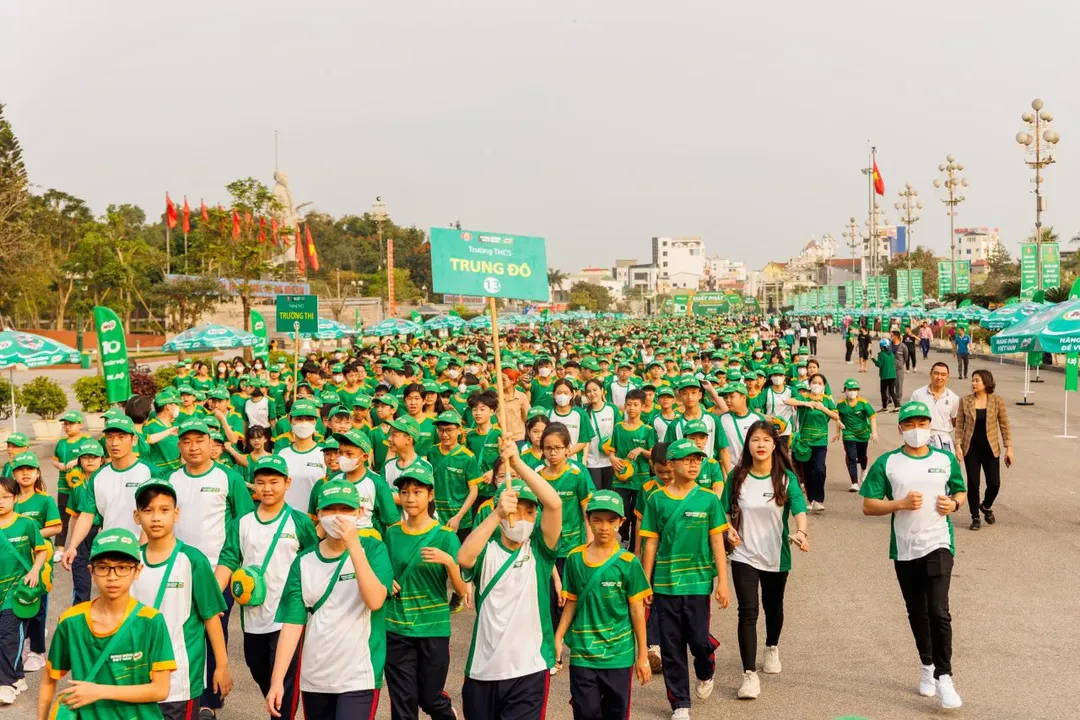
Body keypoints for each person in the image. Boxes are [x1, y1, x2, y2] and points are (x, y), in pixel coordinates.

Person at [859, 401, 967, 710]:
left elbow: (960, 491)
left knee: (938, 610)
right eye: (910, 424)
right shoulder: (889, 462)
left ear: (929, 426)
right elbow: (868, 505)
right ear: (901, 428)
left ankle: (945, 677)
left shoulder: (945, 460)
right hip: (905, 548)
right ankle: (927, 665)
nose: (917, 429)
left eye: (922, 423)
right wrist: (899, 505)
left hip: (939, 542)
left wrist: (955, 504)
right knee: (917, 611)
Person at [267, 481, 394, 720]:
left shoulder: (374, 550)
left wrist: (354, 545)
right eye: (330, 510)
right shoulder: (303, 562)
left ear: (359, 512)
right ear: (319, 514)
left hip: (359, 676)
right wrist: (277, 681)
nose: (338, 517)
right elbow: (293, 625)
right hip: (315, 678)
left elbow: (375, 600)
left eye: (345, 510)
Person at [457, 439, 563, 720]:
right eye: (517, 510)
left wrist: (517, 464)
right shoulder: (487, 549)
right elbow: (464, 558)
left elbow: (553, 503)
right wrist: (497, 513)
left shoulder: (539, 551)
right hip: (482, 670)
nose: (524, 518)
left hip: (529, 670)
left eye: (530, 512)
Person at [37, 528, 176, 719]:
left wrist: (100, 692)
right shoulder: (71, 621)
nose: (112, 576)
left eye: (122, 567)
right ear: (91, 571)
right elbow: (49, 677)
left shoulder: (151, 621)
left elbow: (160, 689)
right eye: (103, 567)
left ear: (137, 571)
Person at [217, 456, 317, 720]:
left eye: (274, 482)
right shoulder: (241, 523)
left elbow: (314, 561)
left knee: (284, 680)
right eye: (261, 483)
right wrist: (216, 597)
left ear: (287, 483)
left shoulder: (299, 521)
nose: (268, 488)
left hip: (289, 617)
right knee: (258, 668)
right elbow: (229, 558)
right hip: (253, 616)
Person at [639, 438, 730, 720]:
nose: (693, 464)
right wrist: (645, 582)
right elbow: (650, 543)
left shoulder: (708, 499)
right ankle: (680, 702)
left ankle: (706, 667)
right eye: (687, 459)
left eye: (698, 460)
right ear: (671, 464)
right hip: (666, 582)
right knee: (671, 644)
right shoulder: (656, 499)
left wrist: (723, 583)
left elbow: (717, 541)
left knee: (699, 638)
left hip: (699, 581)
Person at [130, 478, 232, 720]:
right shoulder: (130, 562)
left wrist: (222, 665)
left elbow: (210, 616)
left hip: (181, 680)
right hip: (136, 677)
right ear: (137, 516)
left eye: (164, 510)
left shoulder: (193, 560)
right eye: (148, 510)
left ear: (176, 514)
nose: (156, 518)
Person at [721, 421, 808, 700]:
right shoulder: (737, 476)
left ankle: (772, 646)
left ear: (774, 445)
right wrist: (728, 528)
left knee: (773, 606)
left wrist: (801, 531)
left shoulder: (784, 477)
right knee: (748, 611)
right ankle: (749, 675)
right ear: (748, 444)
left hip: (775, 554)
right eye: (755, 439)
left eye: (766, 440)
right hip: (743, 553)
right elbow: (723, 511)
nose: (760, 445)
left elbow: (798, 507)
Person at [553, 490, 652, 720]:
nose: (604, 527)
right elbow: (571, 604)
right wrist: (558, 638)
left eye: (611, 520)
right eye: (597, 520)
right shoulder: (575, 559)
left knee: (616, 713)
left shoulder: (629, 563)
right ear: (588, 520)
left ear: (621, 522)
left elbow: (638, 611)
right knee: (585, 711)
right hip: (583, 653)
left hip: (619, 654)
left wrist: (642, 656)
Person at [383, 465, 466, 720]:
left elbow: (462, 591)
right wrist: (386, 581)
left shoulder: (446, 537)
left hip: (433, 628)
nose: (410, 498)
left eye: (417, 492)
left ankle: (445, 713)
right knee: (403, 701)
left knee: (430, 697)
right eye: (405, 492)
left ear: (430, 495)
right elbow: (383, 572)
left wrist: (450, 563)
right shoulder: (392, 533)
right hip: (397, 626)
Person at [62, 415, 157, 570]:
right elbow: (87, 514)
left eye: (121, 437)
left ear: (133, 440)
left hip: (143, 552)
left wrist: (144, 551)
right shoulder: (98, 476)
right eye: (110, 437)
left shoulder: (151, 472)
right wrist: (72, 546)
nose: (114, 443)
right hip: (110, 551)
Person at [9, 452, 60, 674]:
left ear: (38, 473)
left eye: (30, 469)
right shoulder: (9, 500)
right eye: (21, 469)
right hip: (13, 563)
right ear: (14, 474)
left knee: (37, 605)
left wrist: (30, 534)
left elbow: (56, 527)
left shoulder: (44, 500)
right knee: (15, 604)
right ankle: (24, 642)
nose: (26, 473)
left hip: (38, 560)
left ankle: (37, 651)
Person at [0, 474, 48, 705]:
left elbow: (41, 549)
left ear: (15, 498)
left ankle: (5, 684)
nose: (1, 501)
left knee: (8, 637)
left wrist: (34, 571)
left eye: (6, 497)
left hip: (16, 592)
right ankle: (18, 676)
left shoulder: (26, 523)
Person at [954, 370, 1013, 531]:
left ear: (986, 383)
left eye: (977, 380)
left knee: (994, 484)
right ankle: (975, 517)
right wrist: (958, 446)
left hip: (991, 448)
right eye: (973, 380)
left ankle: (985, 506)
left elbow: (1004, 425)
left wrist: (1009, 448)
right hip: (971, 448)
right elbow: (959, 425)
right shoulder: (965, 401)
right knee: (973, 484)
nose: (973, 383)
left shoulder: (996, 401)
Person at [787, 374, 840, 513]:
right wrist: (806, 403)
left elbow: (836, 416)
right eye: (814, 382)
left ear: (824, 386)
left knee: (819, 469)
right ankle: (811, 500)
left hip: (820, 442)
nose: (817, 385)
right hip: (804, 442)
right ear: (809, 384)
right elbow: (788, 401)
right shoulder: (804, 397)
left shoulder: (827, 400)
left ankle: (819, 500)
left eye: (820, 383)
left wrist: (822, 408)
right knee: (807, 472)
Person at [51, 410, 91, 560]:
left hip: (80, 485)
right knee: (63, 517)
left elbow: (94, 457)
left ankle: (80, 545)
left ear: (80, 425)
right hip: (64, 486)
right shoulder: (61, 443)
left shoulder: (86, 440)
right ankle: (60, 549)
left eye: (71, 424)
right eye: (65, 424)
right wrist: (58, 464)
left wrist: (77, 460)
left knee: (82, 515)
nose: (68, 427)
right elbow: (54, 459)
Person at [276, 401, 327, 513]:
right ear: (290, 419)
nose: (304, 423)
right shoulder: (282, 455)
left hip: (313, 520)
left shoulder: (324, 454)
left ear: (315, 421)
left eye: (309, 419)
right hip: (286, 518)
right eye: (299, 419)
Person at [834, 379, 878, 492]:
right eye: (850, 390)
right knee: (852, 457)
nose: (852, 392)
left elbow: (872, 417)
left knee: (862, 456)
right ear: (845, 391)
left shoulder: (863, 403)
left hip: (863, 434)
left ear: (858, 391)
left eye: (855, 390)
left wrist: (874, 433)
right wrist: (838, 432)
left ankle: (864, 469)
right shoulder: (840, 404)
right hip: (848, 434)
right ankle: (854, 483)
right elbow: (838, 418)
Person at [910, 363, 960, 453]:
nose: (939, 377)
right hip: (921, 439)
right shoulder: (918, 395)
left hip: (944, 441)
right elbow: (910, 417)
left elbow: (955, 422)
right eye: (936, 373)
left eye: (943, 375)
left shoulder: (954, 398)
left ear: (947, 377)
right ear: (930, 374)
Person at [583, 379, 620, 491]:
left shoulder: (612, 409)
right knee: (597, 493)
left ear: (602, 391)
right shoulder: (584, 412)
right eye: (589, 391)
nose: (592, 393)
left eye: (595, 390)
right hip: (592, 460)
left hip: (611, 459)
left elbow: (618, 431)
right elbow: (584, 438)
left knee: (610, 493)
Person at [874, 339, 900, 412]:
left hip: (885, 376)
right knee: (892, 391)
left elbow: (879, 364)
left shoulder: (881, 354)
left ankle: (884, 407)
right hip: (893, 375)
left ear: (881, 347)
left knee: (883, 391)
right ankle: (897, 406)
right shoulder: (891, 354)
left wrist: (872, 358)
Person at [891, 331, 910, 399]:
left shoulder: (903, 347)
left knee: (898, 385)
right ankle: (888, 399)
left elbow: (906, 357)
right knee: (888, 385)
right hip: (889, 368)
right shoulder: (889, 345)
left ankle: (898, 400)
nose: (891, 337)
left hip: (899, 369)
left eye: (892, 336)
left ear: (896, 337)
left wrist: (900, 364)